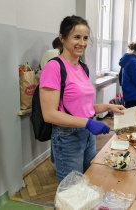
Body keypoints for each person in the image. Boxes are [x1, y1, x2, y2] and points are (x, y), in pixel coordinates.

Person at [39, 15, 125, 183]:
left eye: (85, 38)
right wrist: (88, 123)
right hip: (66, 138)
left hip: (86, 136)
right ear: (62, 38)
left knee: (86, 183)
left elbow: (83, 107)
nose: (82, 43)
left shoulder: (82, 68)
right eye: (76, 37)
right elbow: (49, 114)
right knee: (71, 194)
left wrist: (108, 107)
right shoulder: (54, 67)